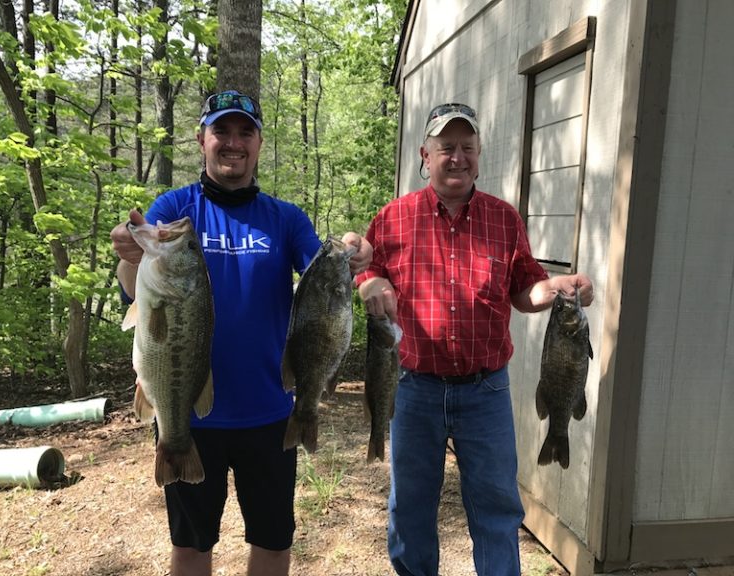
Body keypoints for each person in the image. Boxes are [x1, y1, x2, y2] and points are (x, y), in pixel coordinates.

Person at [110, 89, 372, 576]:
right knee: (191, 547)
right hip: (187, 410)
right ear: (201, 140)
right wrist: (130, 256)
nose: (233, 142)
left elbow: (323, 277)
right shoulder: (174, 207)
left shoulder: (286, 218)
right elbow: (134, 291)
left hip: (270, 412)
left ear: (259, 143)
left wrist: (355, 255)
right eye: (222, 131)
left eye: (245, 133)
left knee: (273, 542)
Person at [356, 102, 594, 576]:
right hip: (413, 388)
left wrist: (558, 288)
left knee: (497, 510)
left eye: (467, 147)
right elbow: (367, 273)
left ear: (479, 154)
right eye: (446, 147)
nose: (457, 157)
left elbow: (525, 290)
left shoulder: (504, 219)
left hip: (485, 391)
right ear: (425, 155)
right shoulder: (393, 218)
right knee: (410, 510)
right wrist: (372, 284)